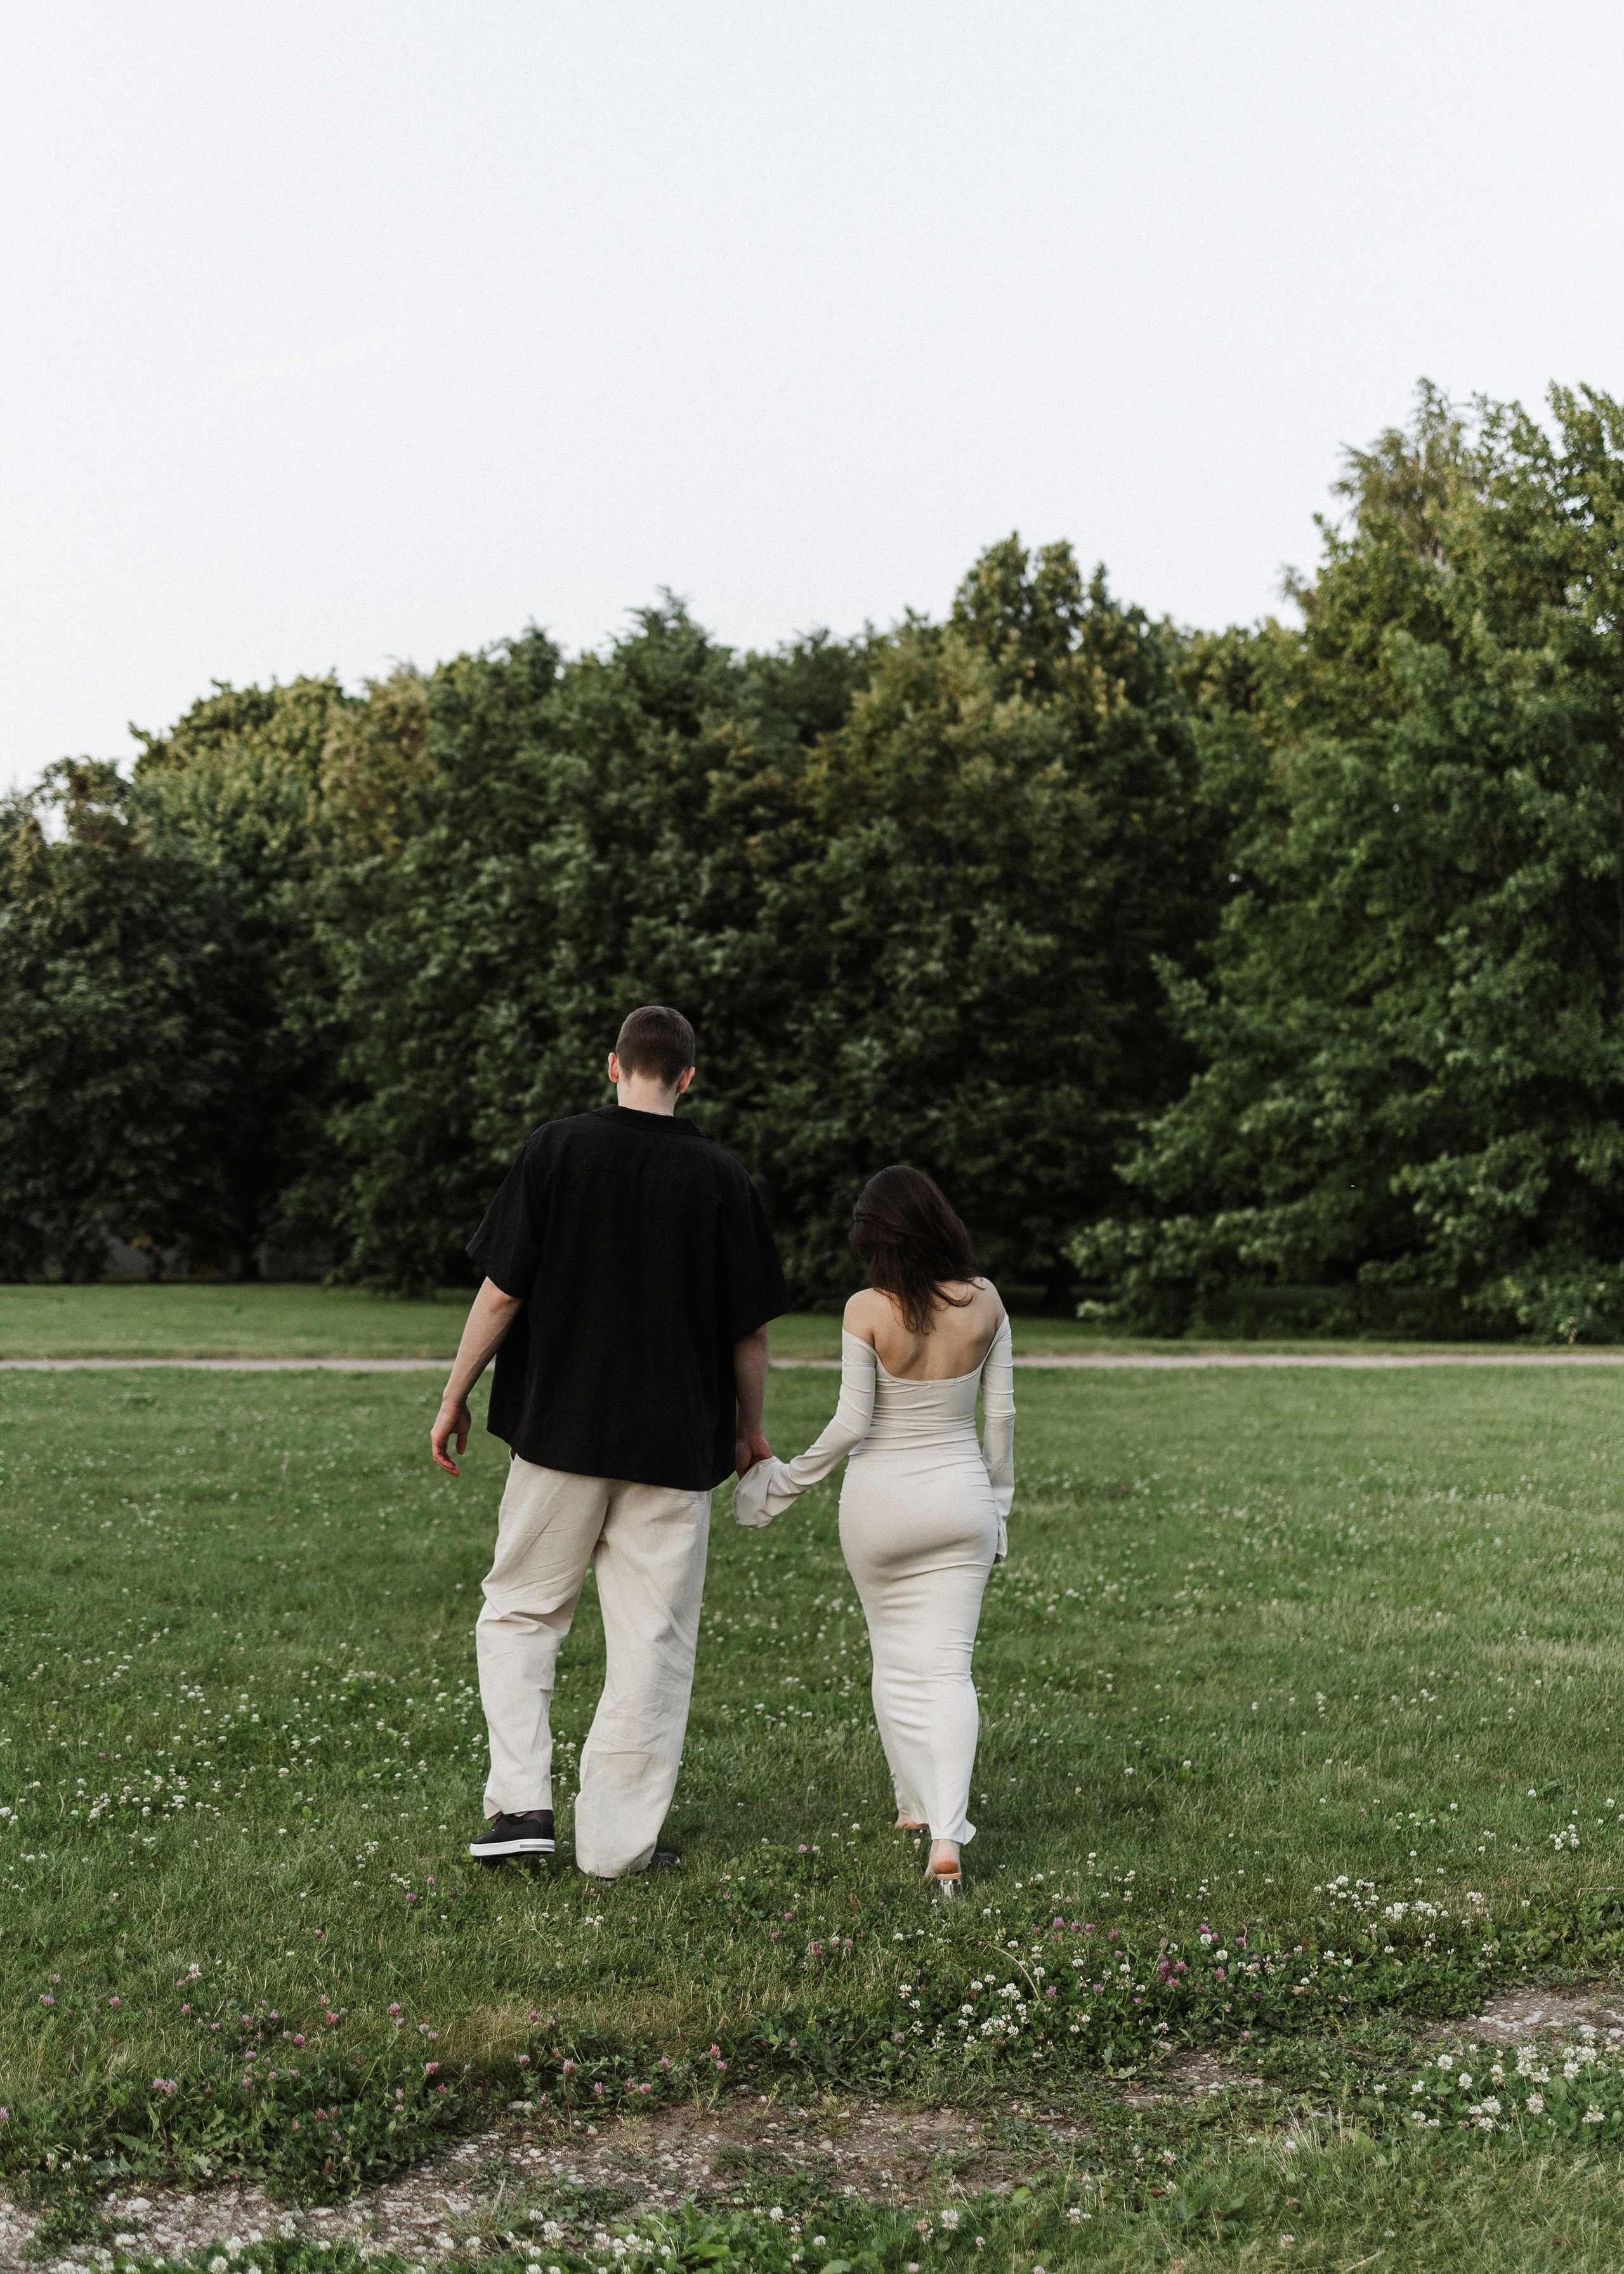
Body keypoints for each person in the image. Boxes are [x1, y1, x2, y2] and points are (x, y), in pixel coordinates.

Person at [430, 1004, 787, 1879]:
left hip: (558, 1430)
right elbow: (749, 1333)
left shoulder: (556, 1150)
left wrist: (455, 1393)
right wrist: (750, 1430)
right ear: (688, 1077)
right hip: (676, 1448)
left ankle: (520, 1804)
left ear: (613, 1064)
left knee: (520, 1611)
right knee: (652, 1643)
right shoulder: (721, 1178)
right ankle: (618, 1846)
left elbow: (503, 1290)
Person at [735, 1165, 1013, 1894]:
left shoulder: (867, 1308)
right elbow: (1002, 1418)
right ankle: (945, 1833)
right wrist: (1000, 1508)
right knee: (948, 1667)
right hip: (962, 1501)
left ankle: (913, 1806)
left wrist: (787, 1479)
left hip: (880, 1506)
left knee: (893, 1659)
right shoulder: (986, 1302)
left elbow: (853, 1423)